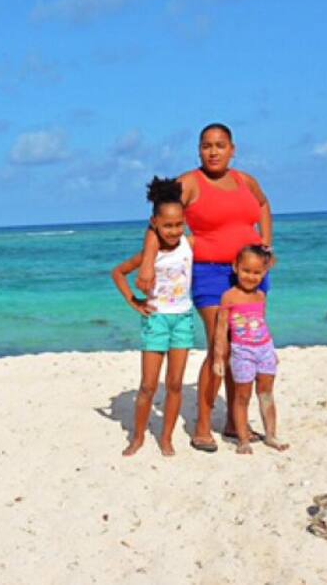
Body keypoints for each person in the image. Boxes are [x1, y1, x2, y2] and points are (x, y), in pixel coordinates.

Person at [135, 123, 272, 453]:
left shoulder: (245, 181)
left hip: (250, 275)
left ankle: (232, 422)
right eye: (207, 145)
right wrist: (147, 262)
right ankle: (201, 427)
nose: (213, 151)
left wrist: (266, 245)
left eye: (220, 145)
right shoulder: (189, 183)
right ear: (198, 150)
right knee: (218, 343)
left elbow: (264, 207)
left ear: (232, 149)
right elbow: (158, 221)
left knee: (240, 346)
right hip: (209, 273)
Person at [111, 177, 195, 457]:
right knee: (148, 385)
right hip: (156, 321)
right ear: (154, 223)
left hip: (183, 319)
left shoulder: (188, 244)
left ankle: (167, 437)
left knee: (174, 384)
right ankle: (137, 437)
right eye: (167, 225)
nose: (173, 230)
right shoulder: (151, 252)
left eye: (178, 224)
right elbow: (118, 273)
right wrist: (133, 302)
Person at [213, 245, 288, 454]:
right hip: (242, 353)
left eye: (257, 273)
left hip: (265, 349)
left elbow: (261, 323)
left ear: (264, 273)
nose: (251, 277)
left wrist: (272, 351)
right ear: (235, 267)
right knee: (242, 397)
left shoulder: (261, 296)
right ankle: (243, 439)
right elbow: (221, 329)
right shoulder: (229, 297)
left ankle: (271, 435)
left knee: (266, 393)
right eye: (246, 271)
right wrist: (219, 357)